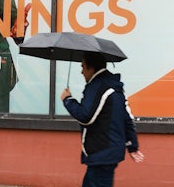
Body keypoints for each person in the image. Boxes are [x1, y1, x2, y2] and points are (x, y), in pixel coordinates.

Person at [61, 51, 145, 187]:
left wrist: (68, 99)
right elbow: (127, 118)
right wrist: (132, 146)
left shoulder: (97, 87)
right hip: (109, 153)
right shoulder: (115, 87)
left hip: (101, 152)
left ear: (91, 68)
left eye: (83, 67)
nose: (82, 72)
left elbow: (85, 116)